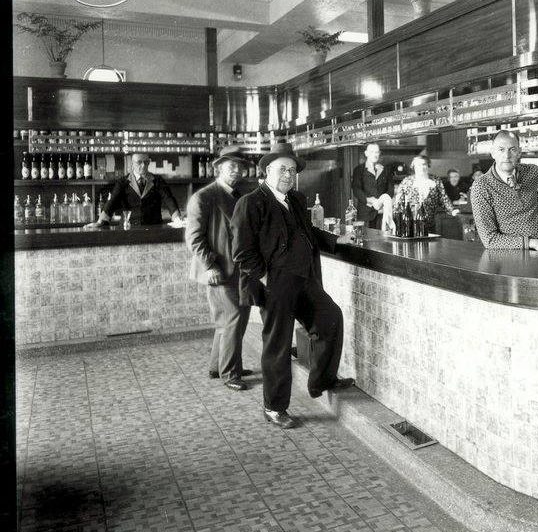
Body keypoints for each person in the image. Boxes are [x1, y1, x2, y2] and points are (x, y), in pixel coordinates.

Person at [232, 142, 355, 429]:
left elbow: (308, 231)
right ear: (266, 172)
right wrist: (266, 279)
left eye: (292, 170)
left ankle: (321, 381)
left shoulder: (297, 200)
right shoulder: (250, 203)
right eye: (282, 169)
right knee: (277, 344)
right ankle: (274, 406)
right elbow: (242, 251)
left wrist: (336, 241)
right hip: (274, 285)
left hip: (303, 279)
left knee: (329, 318)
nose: (288, 175)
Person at [185, 146, 253, 391]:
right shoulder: (204, 197)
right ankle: (230, 373)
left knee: (230, 319)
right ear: (218, 168)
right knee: (234, 317)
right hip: (217, 269)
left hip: (236, 268)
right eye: (231, 166)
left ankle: (219, 365)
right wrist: (209, 266)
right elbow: (194, 238)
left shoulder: (237, 195)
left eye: (240, 166)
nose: (236, 171)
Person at [469, 130, 538, 252]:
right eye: (501, 150)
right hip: (515, 257)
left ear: (519, 152)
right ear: (492, 153)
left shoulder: (532, 171)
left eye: (512, 149)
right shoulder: (481, 186)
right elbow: (489, 239)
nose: (507, 156)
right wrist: (533, 243)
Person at [86, 151, 181, 227]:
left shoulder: (158, 180)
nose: (143, 165)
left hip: (153, 227)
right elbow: (112, 201)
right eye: (139, 162)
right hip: (128, 227)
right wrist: (100, 221)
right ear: (132, 163)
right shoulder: (123, 182)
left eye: (146, 162)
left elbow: (169, 199)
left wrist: (177, 219)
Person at [392, 155, 459, 233]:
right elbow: (398, 203)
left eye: (424, 164)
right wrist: (395, 222)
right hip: (409, 225)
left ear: (428, 165)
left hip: (430, 224)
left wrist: (452, 210)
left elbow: (443, 198)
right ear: (414, 167)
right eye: (418, 165)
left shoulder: (435, 180)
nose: (422, 167)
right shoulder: (407, 181)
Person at [351, 143, 392, 229]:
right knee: (366, 240)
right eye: (372, 152)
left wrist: (382, 202)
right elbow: (356, 189)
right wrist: (371, 201)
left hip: (382, 213)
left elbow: (390, 189)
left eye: (377, 152)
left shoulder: (385, 170)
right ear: (366, 153)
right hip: (365, 214)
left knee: (383, 239)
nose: (375, 154)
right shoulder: (359, 170)